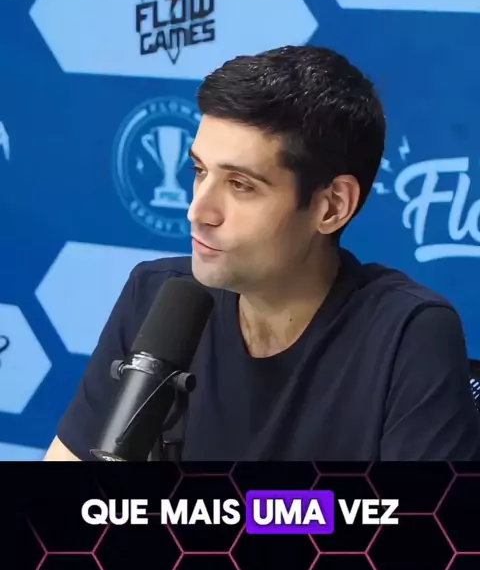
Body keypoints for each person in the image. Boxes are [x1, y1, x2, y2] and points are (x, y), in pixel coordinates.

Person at [44, 45, 480, 462]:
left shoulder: (407, 334)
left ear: (332, 206)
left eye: (240, 185)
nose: (198, 211)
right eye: (199, 171)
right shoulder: (156, 297)